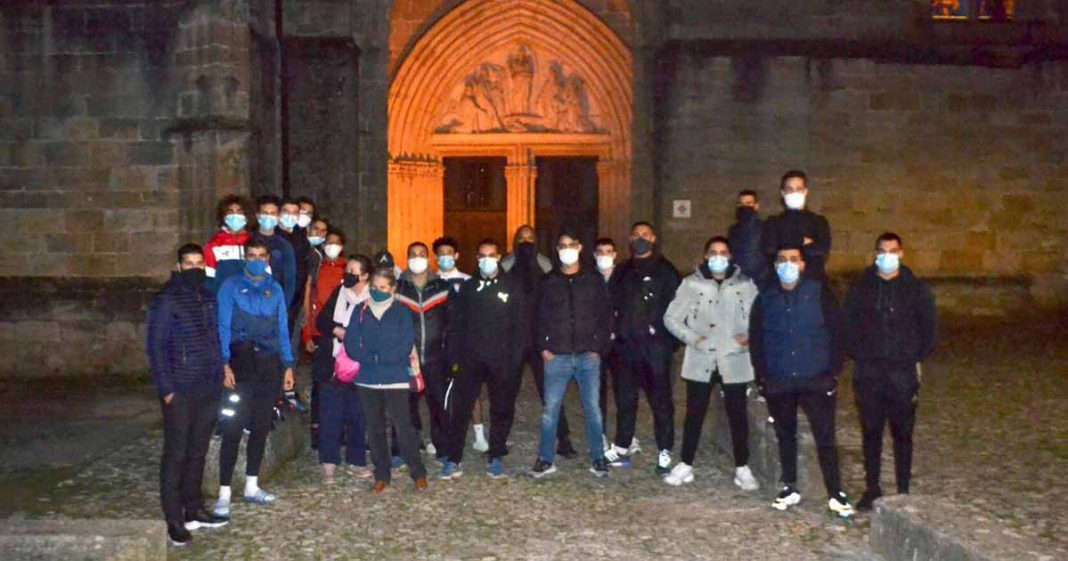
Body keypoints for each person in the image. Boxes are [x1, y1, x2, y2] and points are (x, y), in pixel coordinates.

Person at [748, 244, 853, 518]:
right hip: (780, 380)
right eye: (782, 259)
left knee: (825, 437)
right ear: (774, 265)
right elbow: (757, 339)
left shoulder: (820, 294)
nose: (788, 264)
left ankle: (834, 491)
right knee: (785, 436)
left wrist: (832, 373)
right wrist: (763, 376)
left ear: (803, 264)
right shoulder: (765, 298)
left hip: (815, 379)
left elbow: (838, 333)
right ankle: (789, 485)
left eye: (793, 259)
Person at [845, 233, 937, 511]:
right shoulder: (861, 287)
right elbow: (848, 324)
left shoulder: (916, 289)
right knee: (871, 432)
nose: (887, 256)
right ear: (875, 254)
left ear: (901, 253)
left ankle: (903, 488)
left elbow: (929, 328)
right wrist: (860, 353)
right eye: (882, 251)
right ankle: (872, 487)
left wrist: (912, 355)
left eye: (892, 250)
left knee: (903, 432)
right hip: (870, 370)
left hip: (901, 371)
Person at [146, 244, 228, 547]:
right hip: (180, 389)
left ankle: (193, 508)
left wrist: (220, 373)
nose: (194, 267)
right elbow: (155, 346)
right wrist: (166, 390)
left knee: (198, 450)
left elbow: (215, 336)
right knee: (176, 453)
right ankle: (174, 519)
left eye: (199, 263)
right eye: (188, 263)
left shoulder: (207, 296)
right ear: (179, 265)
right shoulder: (166, 299)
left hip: (207, 385)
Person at [663, 236, 760, 490]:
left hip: (734, 358)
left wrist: (749, 335)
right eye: (713, 252)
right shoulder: (691, 284)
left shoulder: (745, 285)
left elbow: (760, 317)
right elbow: (671, 318)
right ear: (706, 256)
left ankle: (742, 466)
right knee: (695, 413)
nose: (718, 257)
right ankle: (686, 463)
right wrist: (694, 339)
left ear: (730, 256)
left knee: (738, 415)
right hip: (702, 358)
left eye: (723, 252)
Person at [213, 238, 296, 518]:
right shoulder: (231, 286)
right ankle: (224, 491)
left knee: (261, 425)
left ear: (268, 260)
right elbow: (223, 325)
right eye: (252, 255)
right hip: (241, 361)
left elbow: (282, 327)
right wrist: (224, 362)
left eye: (262, 255)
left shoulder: (275, 289)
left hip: (269, 364)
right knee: (233, 426)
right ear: (245, 257)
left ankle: (252, 484)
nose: (257, 260)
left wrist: (288, 364)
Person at [439, 239, 527, 480]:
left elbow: (520, 325)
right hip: (470, 360)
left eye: (491, 255)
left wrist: (515, 359)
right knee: (460, 410)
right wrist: (455, 358)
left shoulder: (513, 285)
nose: (486, 259)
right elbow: (457, 324)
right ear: (477, 258)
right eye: (482, 255)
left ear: (499, 257)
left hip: (501, 361)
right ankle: (454, 458)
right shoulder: (468, 288)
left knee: (501, 409)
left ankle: (496, 455)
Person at [530, 231, 614, 478]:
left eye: (571, 245)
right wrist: (543, 348)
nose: (567, 249)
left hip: (588, 355)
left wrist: (599, 347)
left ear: (579, 247)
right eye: (562, 245)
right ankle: (545, 458)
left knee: (593, 408)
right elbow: (536, 317)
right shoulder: (548, 281)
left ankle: (598, 457)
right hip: (557, 356)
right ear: (557, 250)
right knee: (550, 410)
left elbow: (605, 316)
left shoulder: (593, 279)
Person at [343, 268, 428, 494]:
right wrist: (369, 358)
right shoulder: (359, 310)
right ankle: (382, 474)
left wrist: (384, 358)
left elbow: (406, 342)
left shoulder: (401, 311)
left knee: (404, 428)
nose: (377, 291)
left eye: (382, 288)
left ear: (392, 288)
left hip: (396, 378)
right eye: (374, 287)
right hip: (367, 379)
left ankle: (418, 472)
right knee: (375, 428)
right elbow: (351, 342)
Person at [606, 222, 680, 475]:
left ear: (654, 238)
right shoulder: (623, 270)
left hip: (655, 349)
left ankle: (665, 449)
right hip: (626, 348)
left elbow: (678, 309)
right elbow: (610, 303)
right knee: (625, 400)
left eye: (645, 235)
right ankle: (623, 445)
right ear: (629, 239)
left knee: (660, 401)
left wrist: (668, 342)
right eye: (636, 235)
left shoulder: (666, 271)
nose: (640, 238)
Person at [506, 225, 576, 457]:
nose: (526, 243)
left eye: (530, 238)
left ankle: (563, 438)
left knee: (550, 392)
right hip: (514, 339)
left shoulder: (546, 266)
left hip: (539, 340)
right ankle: (499, 440)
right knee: (506, 392)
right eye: (521, 239)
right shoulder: (506, 265)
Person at [313, 254, 373, 484]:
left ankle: (356, 461)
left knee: (358, 415)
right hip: (334, 365)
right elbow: (322, 322)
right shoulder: (340, 294)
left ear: (365, 275)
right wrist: (338, 330)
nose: (348, 273)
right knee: (330, 415)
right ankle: (328, 463)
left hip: (363, 366)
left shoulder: (374, 296)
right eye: (347, 269)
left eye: (354, 270)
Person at [397, 241, 453, 462]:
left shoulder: (441, 287)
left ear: (429, 258)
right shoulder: (398, 287)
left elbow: (452, 323)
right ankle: (404, 448)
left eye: (422, 254)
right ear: (407, 257)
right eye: (413, 254)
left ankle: (443, 448)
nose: (417, 258)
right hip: (405, 358)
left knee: (438, 404)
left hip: (435, 357)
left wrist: (450, 352)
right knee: (404, 405)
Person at [433, 236, 489, 452]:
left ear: (456, 255)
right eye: (441, 253)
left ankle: (479, 435)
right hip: (439, 343)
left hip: (466, 342)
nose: (445, 257)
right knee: (438, 393)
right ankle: (439, 435)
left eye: (449, 253)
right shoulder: (431, 281)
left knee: (471, 391)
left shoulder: (468, 281)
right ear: (436, 257)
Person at [302, 227, 346, 447]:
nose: (332, 245)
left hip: (343, 334)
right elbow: (308, 303)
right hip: (321, 333)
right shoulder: (316, 268)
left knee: (345, 381)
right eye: (329, 241)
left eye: (337, 241)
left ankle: (344, 431)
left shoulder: (348, 268)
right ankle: (318, 431)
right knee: (321, 384)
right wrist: (307, 333)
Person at [761, 170, 832, 281]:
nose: (794, 193)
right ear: (783, 193)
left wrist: (785, 242)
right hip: (780, 282)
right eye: (790, 189)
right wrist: (804, 242)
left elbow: (823, 250)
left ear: (805, 192)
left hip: (812, 281)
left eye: (798, 189)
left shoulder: (819, 221)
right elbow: (769, 250)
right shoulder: (773, 222)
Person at [593, 237, 623, 450]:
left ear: (615, 254)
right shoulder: (589, 278)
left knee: (623, 391)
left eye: (609, 251)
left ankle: (624, 436)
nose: (605, 255)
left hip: (620, 343)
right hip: (597, 343)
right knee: (597, 391)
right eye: (601, 251)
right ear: (595, 255)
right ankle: (600, 433)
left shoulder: (624, 278)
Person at [251, 195, 298, 307]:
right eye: (265, 213)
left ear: (278, 217)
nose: (269, 217)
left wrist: (283, 307)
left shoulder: (284, 245)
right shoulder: (248, 240)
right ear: (258, 216)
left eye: (273, 213)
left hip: (273, 301)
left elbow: (289, 281)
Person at [204, 195, 253, 293]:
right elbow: (208, 280)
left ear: (247, 216)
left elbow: (265, 275)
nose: (235, 216)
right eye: (230, 212)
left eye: (240, 212)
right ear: (223, 217)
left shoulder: (254, 243)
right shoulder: (214, 245)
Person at [728, 190, 772, 288]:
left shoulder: (766, 228)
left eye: (748, 203)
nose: (744, 207)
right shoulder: (733, 230)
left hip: (761, 283)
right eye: (741, 204)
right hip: (737, 283)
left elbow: (771, 255)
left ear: (756, 206)